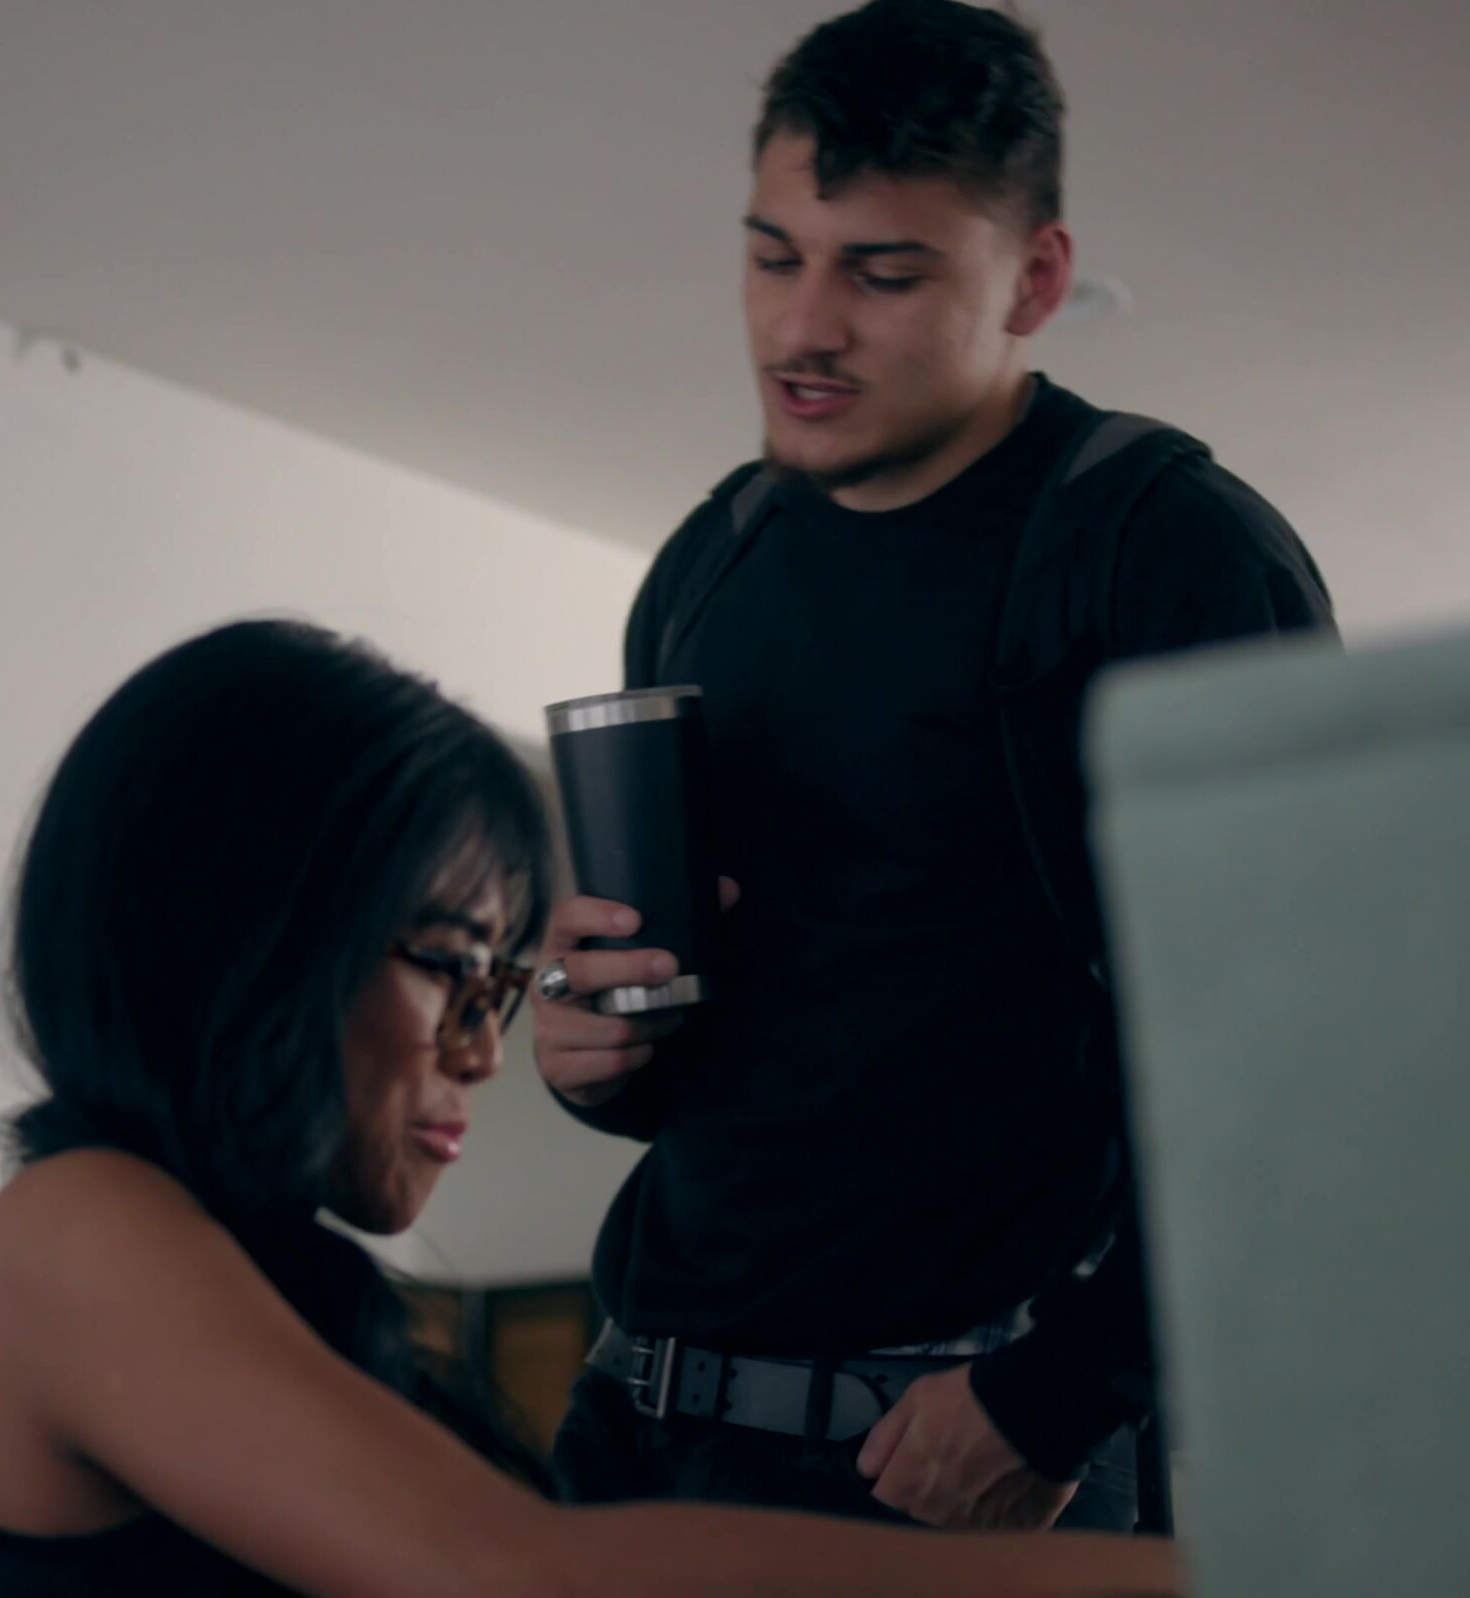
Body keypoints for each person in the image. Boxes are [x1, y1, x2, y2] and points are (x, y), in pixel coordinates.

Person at [0, 619, 1185, 1595]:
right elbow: (521, 1575)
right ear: (251, 935)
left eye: (498, 987)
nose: (484, 1051)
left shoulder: (255, 1272)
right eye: (447, 966)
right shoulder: (74, 1228)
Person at [535, 0, 1338, 1536]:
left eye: (882, 273)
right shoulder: (710, 558)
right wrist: (597, 1052)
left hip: (956, 1465)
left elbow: (1311, 1044)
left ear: (1035, 278)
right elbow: (732, 1057)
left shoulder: (1166, 554)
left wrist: (1061, 1394)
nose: (802, 328)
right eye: (774, 256)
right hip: (637, 1425)